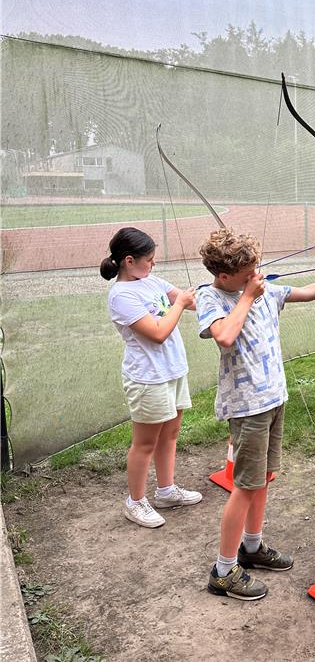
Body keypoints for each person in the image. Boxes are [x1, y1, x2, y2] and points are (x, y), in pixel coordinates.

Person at [198, 228, 315, 601]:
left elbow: (305, 292)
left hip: (274, 399)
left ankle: (252, 547)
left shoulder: (263, 291)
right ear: (225, 275)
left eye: (255, 268)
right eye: (247, 272)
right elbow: (224, 336)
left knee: (263, 479)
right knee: (244, 487)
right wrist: (247, 296)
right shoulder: (211, 297)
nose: (256, 275)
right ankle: (223, 571)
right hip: (247, 407)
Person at [100, 227, 201, 529]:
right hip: (148, 378)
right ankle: (135, 501)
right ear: (129, 261)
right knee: (145, 443)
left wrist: (224, 285)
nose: (154, 264)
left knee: (169, 434)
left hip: (172, 371)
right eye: (150, 259)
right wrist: (180, 304)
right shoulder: (121, 295)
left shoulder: (151, 280)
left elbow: (190, 301)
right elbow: (157, 333)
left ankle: (166, 491)